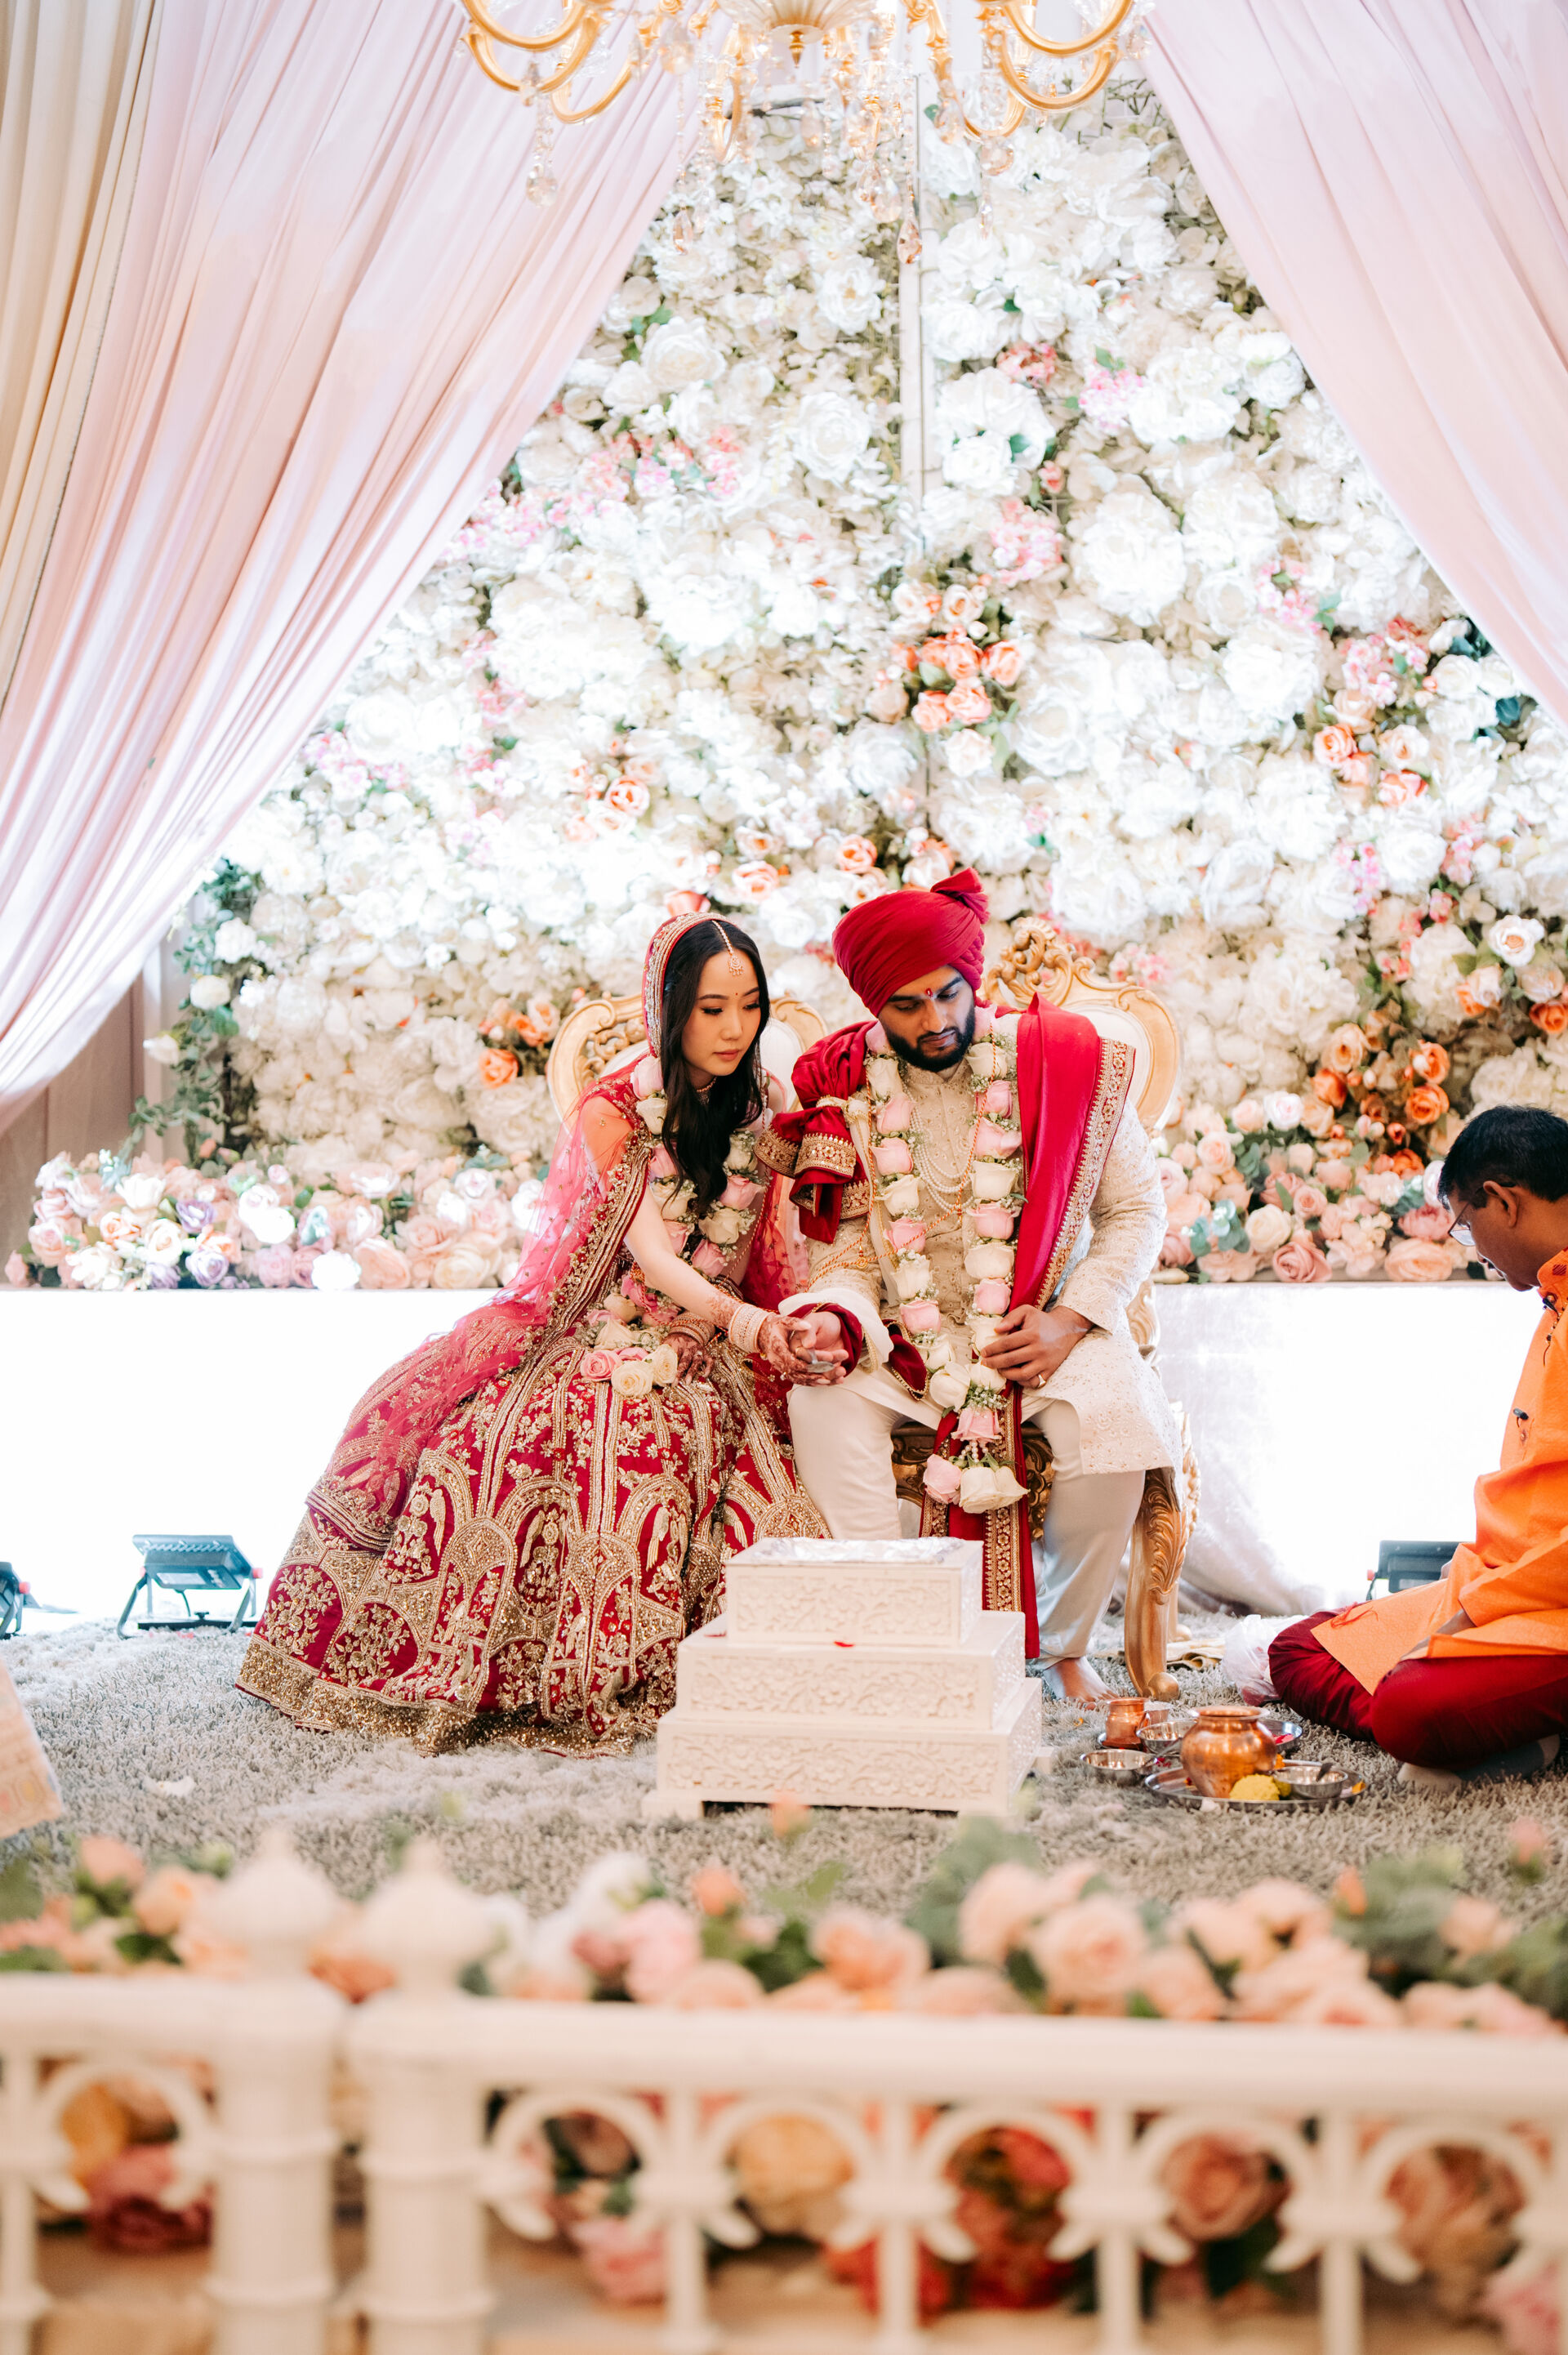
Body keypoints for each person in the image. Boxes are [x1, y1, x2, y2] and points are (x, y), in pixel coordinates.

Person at [238, 913, 830, 1752]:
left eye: (750, 1005)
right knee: (527, 1427)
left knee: (711, 1431)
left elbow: (752, 1246)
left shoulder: (766, 1103)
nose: (735, 1028)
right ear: (669, 1011)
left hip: (718, 1333)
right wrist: (741, 1323)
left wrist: (740, 1330)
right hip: (606, 1318)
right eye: (711, 1009)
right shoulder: (615, 1109)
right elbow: (653, 1257)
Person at [760, 868, 1181, 1699]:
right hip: (904, 1338)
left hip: (1042, 1328)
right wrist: (839, 1317)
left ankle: (1063, 1648)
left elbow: (1137, 1210)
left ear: (971, 980)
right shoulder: (845, 1090)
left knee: (1113, 1418)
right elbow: (846, 1251)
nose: (935, 1021)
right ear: (874, 1007)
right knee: (821, 1401)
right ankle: (893, 1626)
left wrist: (1070, 1319)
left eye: (948, 994)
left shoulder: (1068, 1065)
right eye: (907, 1005)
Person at [1270, 1104, 1568, 1783]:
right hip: (1498, 1585)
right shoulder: (1553, 1297)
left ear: (1503, 1202)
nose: (1472, 1246)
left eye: (1464, 1224)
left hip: (1548, 1605)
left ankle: (1476, 1725)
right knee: (1299, 1649)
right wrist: (1464, 1597)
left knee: (1409, 1708)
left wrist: (1474, 1613)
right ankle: (1507, 1727)